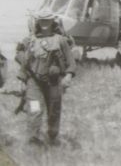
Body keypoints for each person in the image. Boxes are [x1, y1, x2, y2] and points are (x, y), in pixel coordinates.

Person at [15, 9, 76, 146]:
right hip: (34, 83)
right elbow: (25, 63)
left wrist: (68, 76)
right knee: (35, 109)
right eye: (41, 20)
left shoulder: (60, 40)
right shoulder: (31, 40)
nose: (44, 23)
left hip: (54, 83)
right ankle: (33, 139)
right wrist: (22, 81)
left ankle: (53, 137)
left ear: (52, 21)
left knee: (54, 110)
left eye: (47, 20)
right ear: (38, 21)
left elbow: (71, 61)